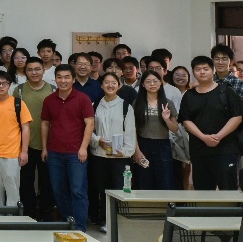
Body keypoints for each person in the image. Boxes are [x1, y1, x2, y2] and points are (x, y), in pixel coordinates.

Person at [41, 65, 95, 232]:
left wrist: (83, 148)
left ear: (73, 79)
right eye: (59, 77)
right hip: (54, 153)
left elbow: (90, 123)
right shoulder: (49, 100)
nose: (63, 80)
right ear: (55, 79)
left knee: (78, 191)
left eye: (66, 77)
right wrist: (44, 148)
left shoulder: (83, 98)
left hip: (76, 153)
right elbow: (45, 124)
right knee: (58, 191)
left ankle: (80, 227)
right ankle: (68, 220)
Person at [179, 55, 242, 190]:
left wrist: (218, 136)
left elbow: (237, 117)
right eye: (198, 69)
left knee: (228, 189)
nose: (202, 72)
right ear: (193, 72)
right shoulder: (189, 95)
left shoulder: (226, 91)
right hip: (199, 150)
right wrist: (203, 137)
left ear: (213, 70)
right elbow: (186, 120)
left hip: (226, 149)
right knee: (203, 191)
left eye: (205, 69)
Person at [89, 73, 136, 231]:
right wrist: (97, 140)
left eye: (113, 82)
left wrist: (126, 151)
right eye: (106, 82)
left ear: (119, 85)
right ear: (101, 85)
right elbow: (89, 129)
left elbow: (130, 131)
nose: (110, 85)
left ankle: (117, 222)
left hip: (119, 156)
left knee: (118, 189)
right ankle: (105, 220)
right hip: (99, 154)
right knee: (102, 189)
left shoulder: (125, 106)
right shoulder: (95, 104)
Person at [0, 71, 32, 206]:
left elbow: (26, 128)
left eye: (4, 83)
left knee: (12, 191)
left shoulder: (18, 103)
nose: (1, 86)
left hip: (12, 155)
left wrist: (24, 151)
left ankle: (12, 218)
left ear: (10, 85)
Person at [14, 57, 55, 220]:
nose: (34, 72)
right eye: (30, 70)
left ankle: (46, 213)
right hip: (25, 144)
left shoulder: (52, 89)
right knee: (26, 181)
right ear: (25, 72)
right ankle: (29, 213)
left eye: (37, 69)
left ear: (43, 70)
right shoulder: (19, 90)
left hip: (48, 143)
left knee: (47, 181)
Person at [132, 70, 178, 189]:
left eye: (155, 81)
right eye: (148, 81)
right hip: (143, 144)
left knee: (165, 181)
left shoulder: (167, 103)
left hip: (163, 145)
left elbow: (175, 129)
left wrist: (166, 119)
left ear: (160, 83)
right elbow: (133, 129)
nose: (152, 84)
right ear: (143, 84)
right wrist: (137, 150)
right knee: (144, 180)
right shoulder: (137, 103)